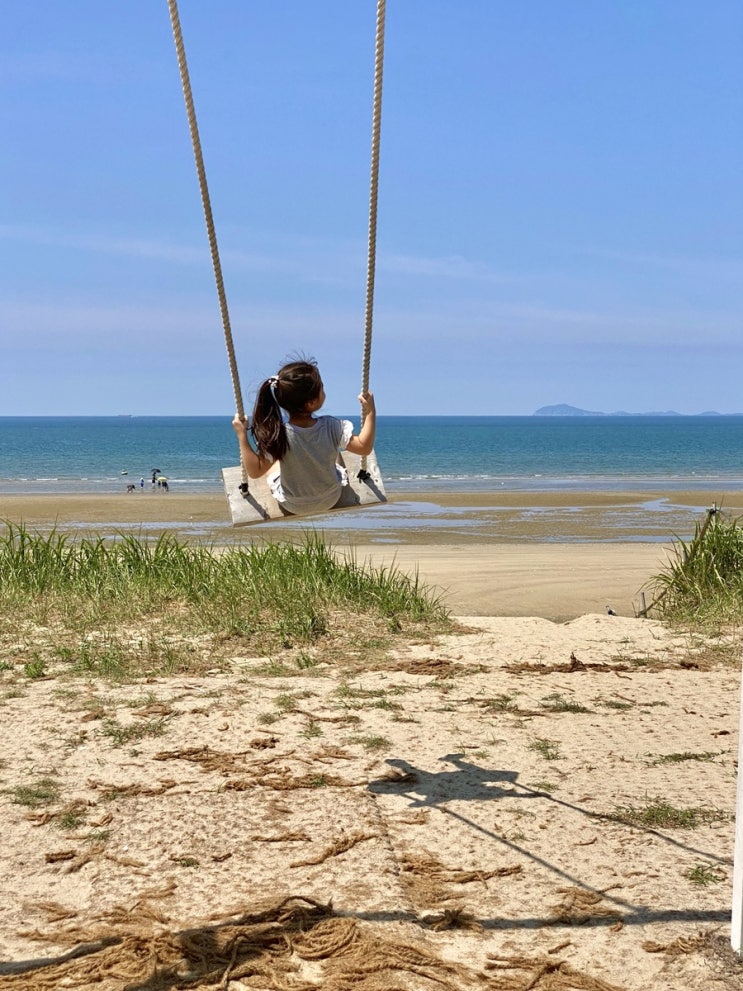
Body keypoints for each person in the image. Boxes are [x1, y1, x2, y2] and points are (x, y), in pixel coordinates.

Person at [231, 358, 376, 516]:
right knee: (336, 453)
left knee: (275, 464)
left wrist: (242, 435)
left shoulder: (280, 435)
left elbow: (255, 471)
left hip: (293, 504)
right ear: (311, 403)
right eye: (322, 388)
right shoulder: (332, 427)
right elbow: (364, 448)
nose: (324, 391)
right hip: (330, 498)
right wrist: (370, 411)